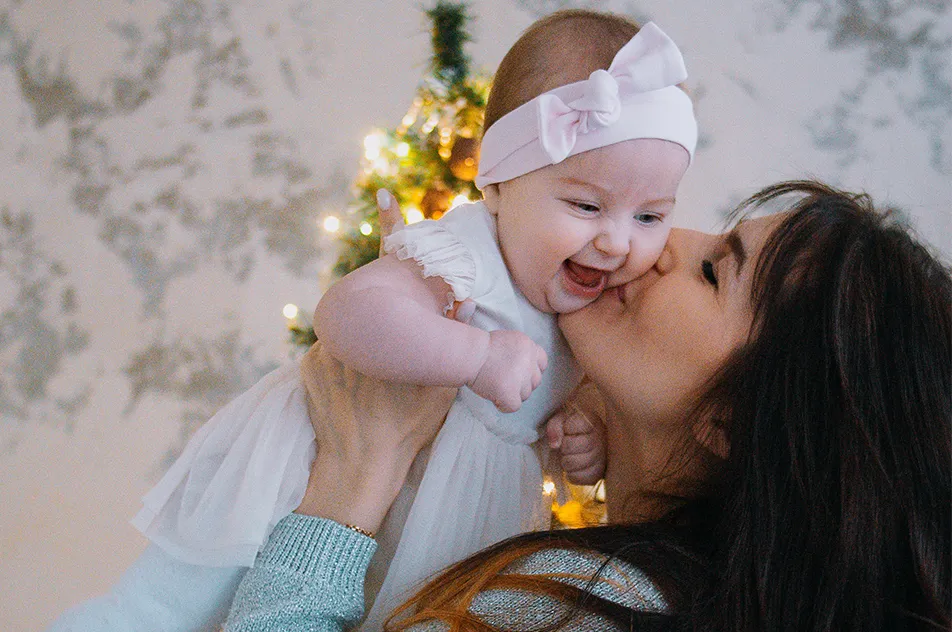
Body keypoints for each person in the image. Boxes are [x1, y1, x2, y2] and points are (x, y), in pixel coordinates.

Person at [48, 10, 697, 632]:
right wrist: (473, 357)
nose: (618, 243)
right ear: (496, 184)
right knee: (161, 610)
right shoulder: (466, 253)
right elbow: (348, 314)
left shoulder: (587, 314)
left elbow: (561, 400)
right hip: (300, 470)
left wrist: (580, 428)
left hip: (442, 521)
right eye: (586, 205)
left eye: (649, 217)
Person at [223, 180, 951, 632]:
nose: (663, 243)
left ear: (732, 421)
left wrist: (353, 479)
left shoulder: (588, 607)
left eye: (712, 271)